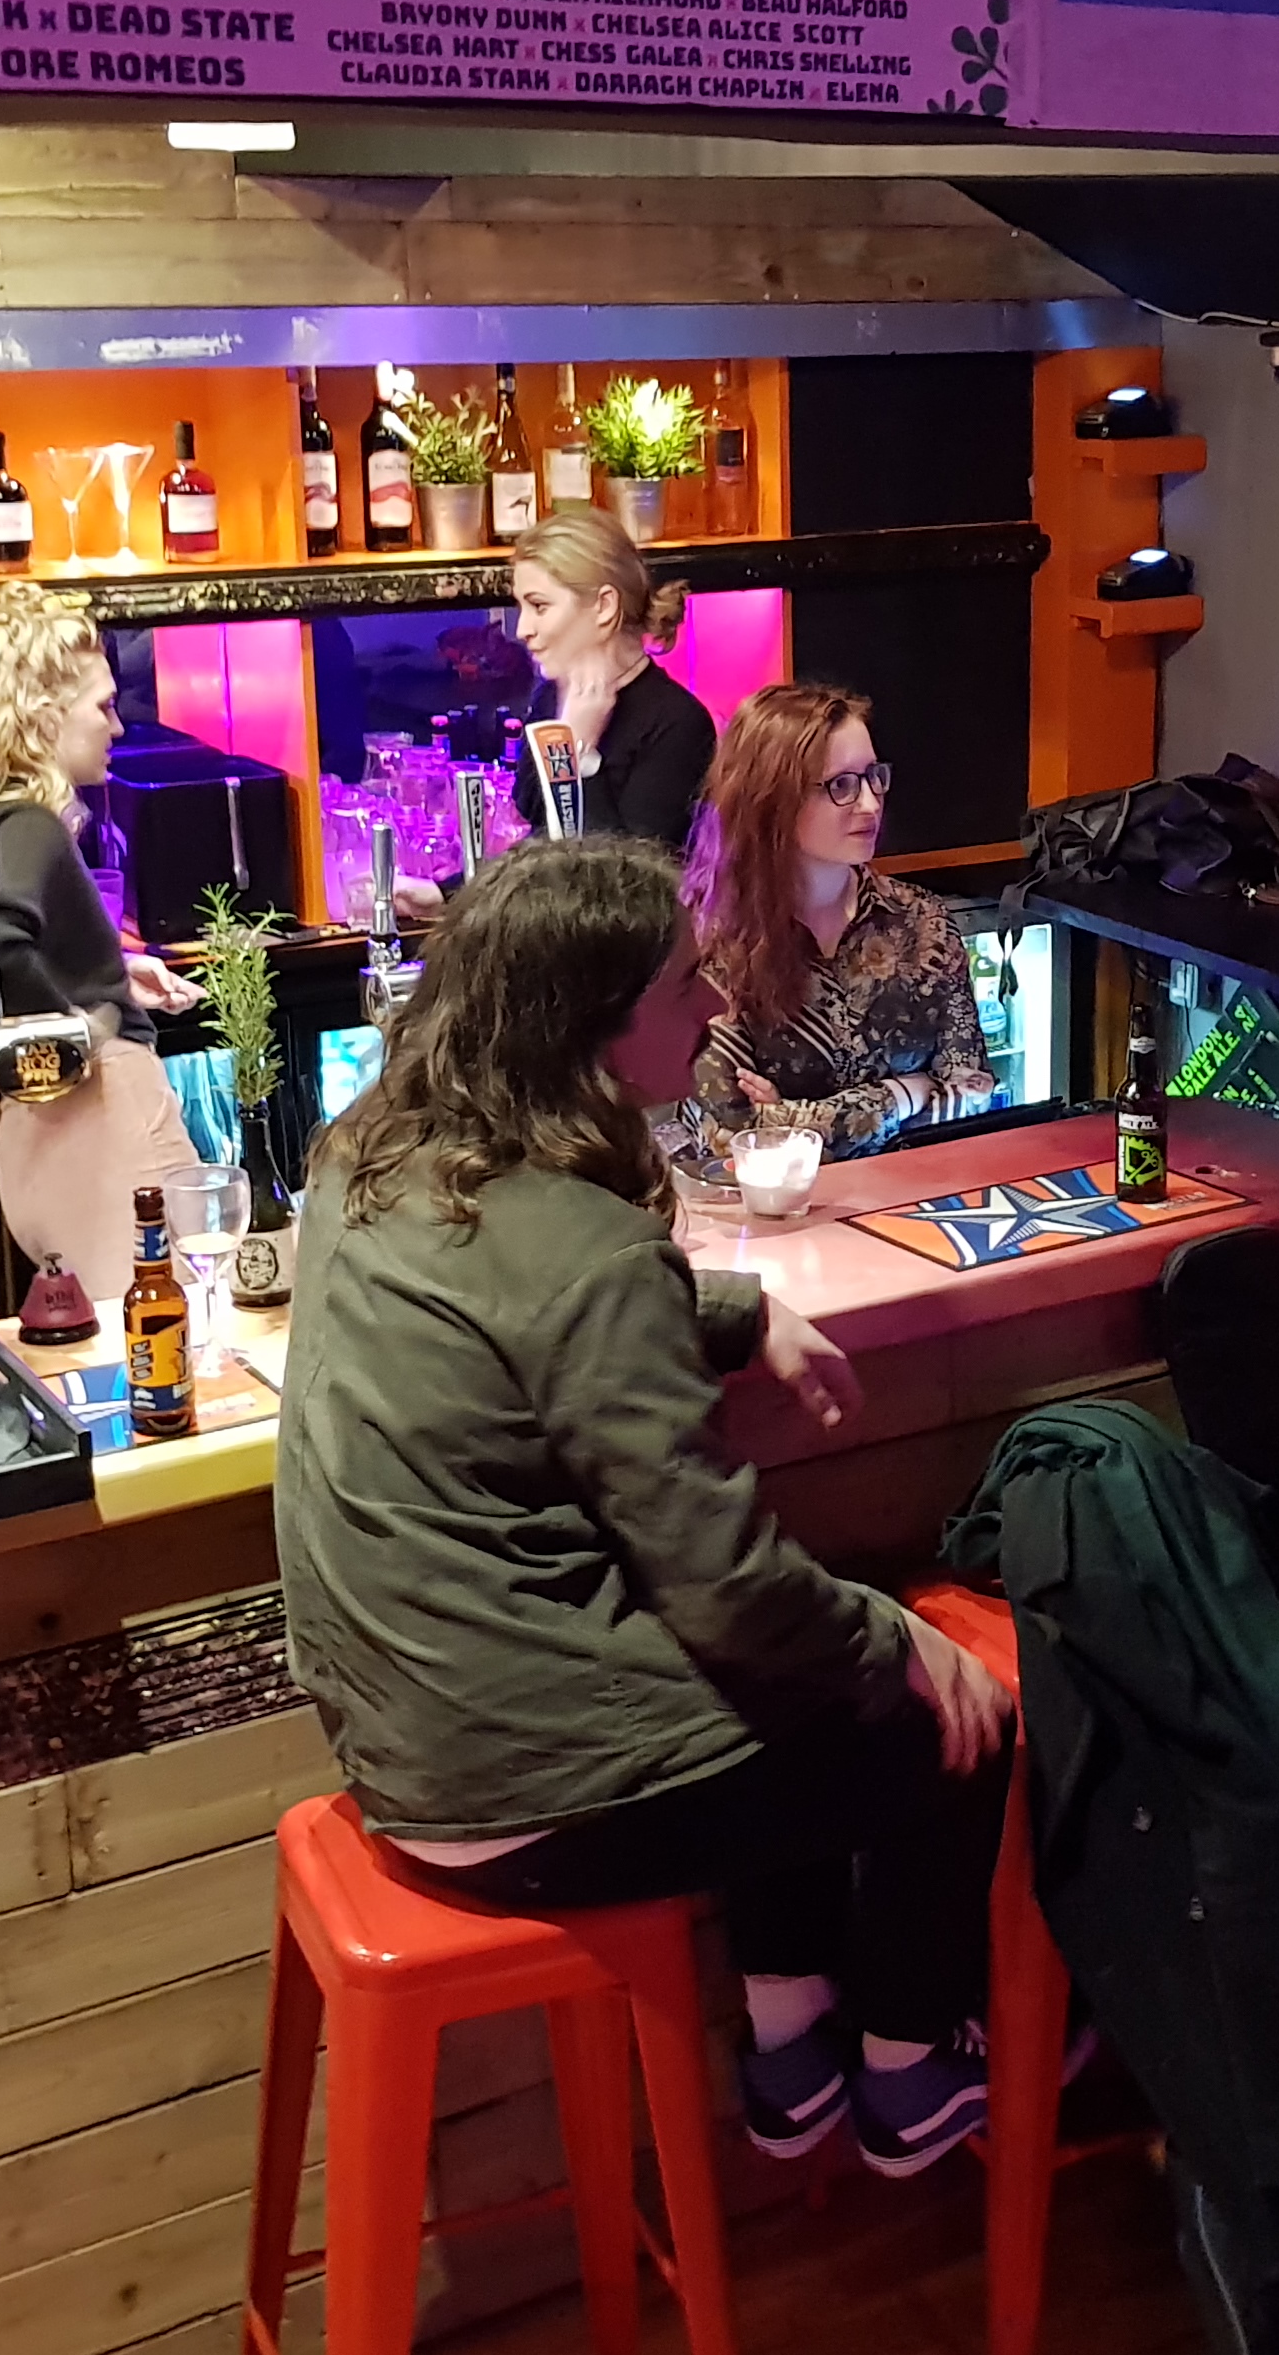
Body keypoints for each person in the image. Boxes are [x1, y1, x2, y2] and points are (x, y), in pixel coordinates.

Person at [275, 838, 1024, 2172]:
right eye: (685, 985)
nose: (718, 1007)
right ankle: (909, 2071)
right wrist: (894, 1638)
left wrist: (731, 1312)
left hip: (400, 1738)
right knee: (942, 1714)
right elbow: (728, 1587)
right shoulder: (589, 1246)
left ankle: (791, 2052)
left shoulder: (367, 1156)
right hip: (521, 1791)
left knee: (786, 1677)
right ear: (596, 1033)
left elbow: (518, 1307)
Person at [0, 589, 204, 1304]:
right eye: (102, 706)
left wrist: (101, 976)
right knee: (173, 1342)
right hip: (106, 1132)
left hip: (35, 1148)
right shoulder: (33, 827)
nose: (118, 724)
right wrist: (76, 1039)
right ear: (44, 715)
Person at [685, 681, 995, 1160]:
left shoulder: (921, 921)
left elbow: (974, 1093)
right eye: (841, 786)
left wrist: (790, 1115)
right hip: (776, 1218)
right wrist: (905, 1093)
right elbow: (730, 1133)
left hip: (916, 1198)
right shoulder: (710, 936)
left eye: (874, 777)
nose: (870, 804)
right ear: (772, 799)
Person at [393, 507, 712, 915]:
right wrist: (449, 893)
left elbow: (626, 889)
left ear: (604, 607)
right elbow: (542, 846)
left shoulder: (679, 723)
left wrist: (578, 755)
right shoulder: (549, 701)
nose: (522, 628)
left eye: (539, 606)